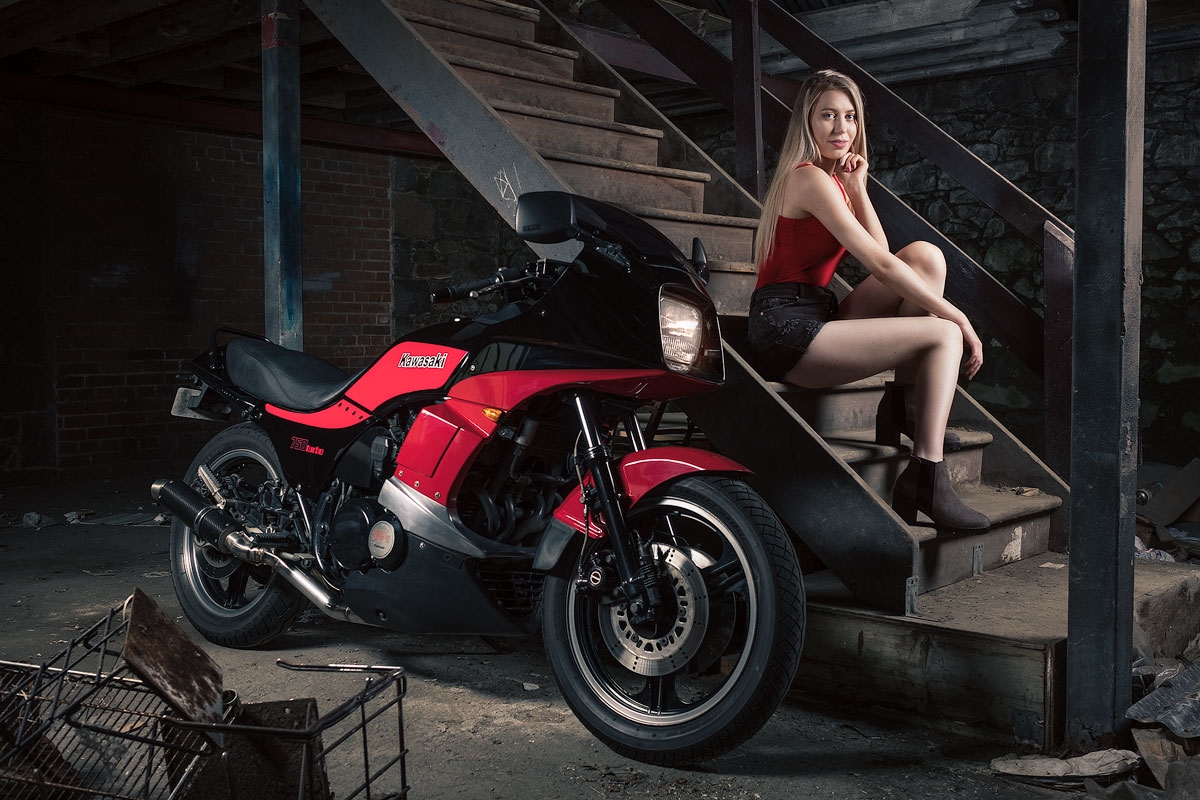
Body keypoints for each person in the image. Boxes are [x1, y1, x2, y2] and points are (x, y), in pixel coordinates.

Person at [747, 68, 988, 532]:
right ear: (808, 124)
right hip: (785, 330)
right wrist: (959, 318)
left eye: (850, 117)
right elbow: (881, 268)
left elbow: (887, 256)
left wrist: (859, 191)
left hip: (816, 310)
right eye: (828, 117)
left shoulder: (834, 181)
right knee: (941, 335)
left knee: (925, 258)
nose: (841, 129)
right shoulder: (808, 179)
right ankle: (926, 478)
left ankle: (901, 406)